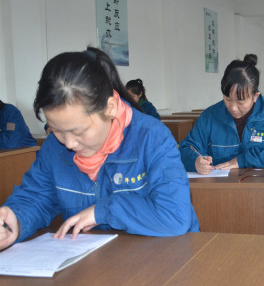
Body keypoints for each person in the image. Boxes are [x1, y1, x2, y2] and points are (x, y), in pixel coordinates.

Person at [0, 48, 199, 249]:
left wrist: (103, 211)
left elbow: (175, 215)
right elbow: (37, 197)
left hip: (162, 256)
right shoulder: (54, 147)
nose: (68, 143)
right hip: (96, 262)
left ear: (109, 108)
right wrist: (15, 219)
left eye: (78, 131)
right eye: (56, 130)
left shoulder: (151, 137)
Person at [179, 58, 264, 173]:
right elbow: (186, 149)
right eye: (228, 99)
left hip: (261, 185)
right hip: (221, 185)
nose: (233, 108)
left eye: (240, 101)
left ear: (255, 96)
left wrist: (243, 160)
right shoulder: (210, 116)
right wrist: (195, 161)